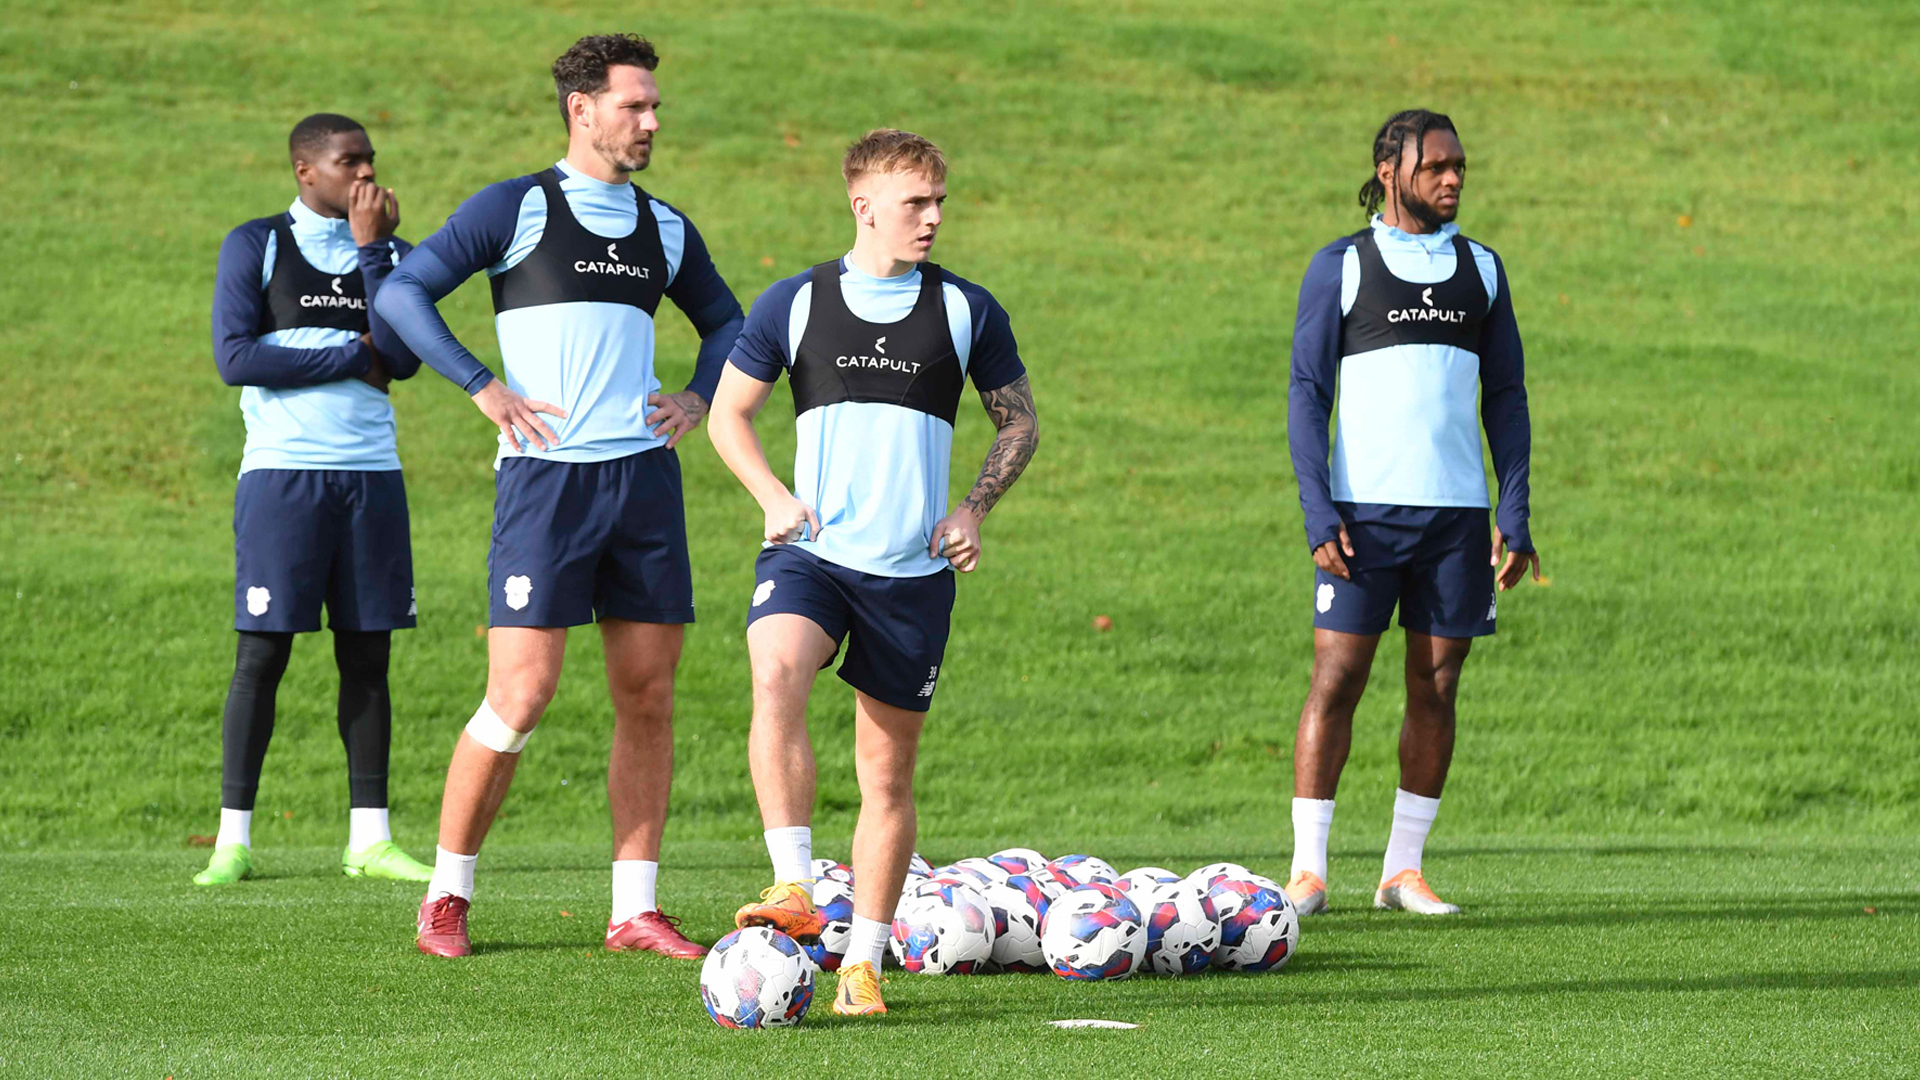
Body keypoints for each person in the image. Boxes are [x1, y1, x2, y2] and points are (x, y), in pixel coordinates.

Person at [374, 33, 743, 959]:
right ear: (582, 109)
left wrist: (699, 393)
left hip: (645, 483)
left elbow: (730, 322)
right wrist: (479, 385)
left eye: (655, 106)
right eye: (635, 106)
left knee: (648, 695)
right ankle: (446, 895)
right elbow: (404, 297)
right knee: (522, 693)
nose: (652, 121)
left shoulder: (666, 228)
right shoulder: (517, 207)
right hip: (545, 484)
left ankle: (634, 910)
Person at [707, 129, 1039, 1016]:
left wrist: (972, 509)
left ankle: (863, 965)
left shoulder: (968, 310)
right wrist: (772, 495)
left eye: (938, 202)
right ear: (863, 205)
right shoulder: (798, 301)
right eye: (914, 204)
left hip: (911, 577)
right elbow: (729, 415)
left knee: (886, 774)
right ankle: (791, 884)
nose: (932, 218)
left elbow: (1019, 424)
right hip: (810, 555)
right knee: (775, 670)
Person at [1283, 109, 1540, 917]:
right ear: (1391, 170)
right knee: (1338, 677)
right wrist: (1318, 513)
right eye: (1437, 167)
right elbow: (1307, 393)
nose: (1454, 179)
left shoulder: (1484, 270)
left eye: (1461, 166)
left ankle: (1402, 870)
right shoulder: (1343, 267)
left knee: (1437, 683)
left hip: (1456, 519)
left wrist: (1515, 509)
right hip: (1362, 515)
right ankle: (1309, 871)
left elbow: (1506, 396)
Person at [199, 113, 430, 886]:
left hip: (371, 476)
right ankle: (234, 839)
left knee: (368, 653)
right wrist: (348, 354)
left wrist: (370, 255)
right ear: (306, 171)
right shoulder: (256, 243)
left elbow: (401, 357)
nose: (365, 175)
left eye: (369, 161)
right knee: (262, 653)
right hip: (281, 475)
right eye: (347, 162)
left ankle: (370, 840)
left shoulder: (390, 253)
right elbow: (236, 357)